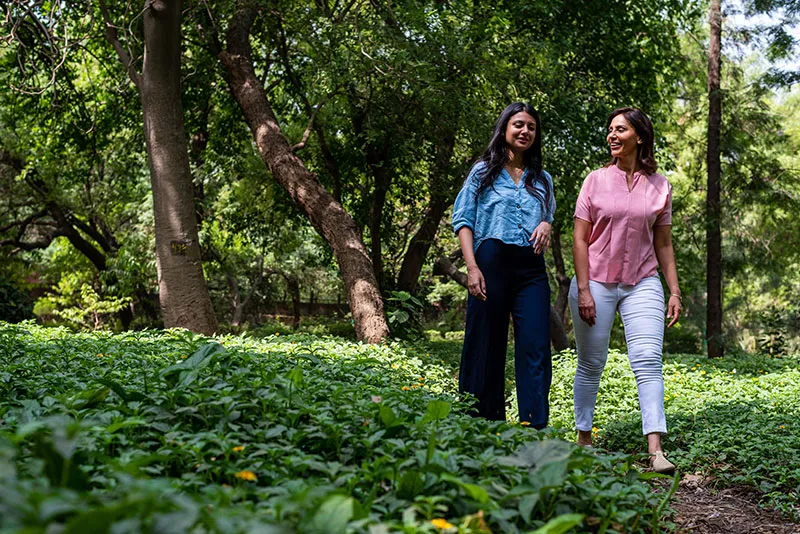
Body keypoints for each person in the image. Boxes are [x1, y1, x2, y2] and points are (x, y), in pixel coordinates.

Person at [568, 107, 681, 473]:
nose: (612, 136)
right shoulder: (595, 180)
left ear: (640, 137)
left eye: (620, 130)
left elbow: (663, 243)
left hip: (643, 281)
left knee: (648, 361)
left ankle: (656, 450)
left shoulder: (660, 185)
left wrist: (674, 290)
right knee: (591, 363)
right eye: (610, 130)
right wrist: (584, 289)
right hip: (596, 280)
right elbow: (580, 239)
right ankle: (584, 440)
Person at [452, 102, 556, 428]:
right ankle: (480, 423)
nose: (525, 131)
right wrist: (472, 268)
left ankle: (533, 426)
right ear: (505, 129)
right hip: (490, 262)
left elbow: (547, 217)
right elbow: (463, 220)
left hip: (531, 269)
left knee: (536, 345)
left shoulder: (543, 179)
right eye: (519, 125)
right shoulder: (482, 171)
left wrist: (547, 225)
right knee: (485, 342)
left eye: (531, 127)